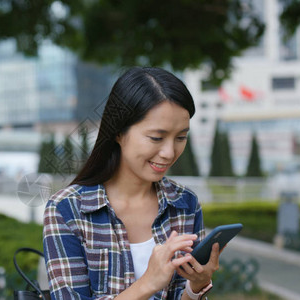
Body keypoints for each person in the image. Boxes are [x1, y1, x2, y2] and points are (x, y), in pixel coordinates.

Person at [43, 67, 219, 300]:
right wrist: (147, 283)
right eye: (156, 137)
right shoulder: (67, 209)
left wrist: (195, 287)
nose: (169, 152)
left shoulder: (185, 204)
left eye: (180, 137)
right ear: (118, 132)